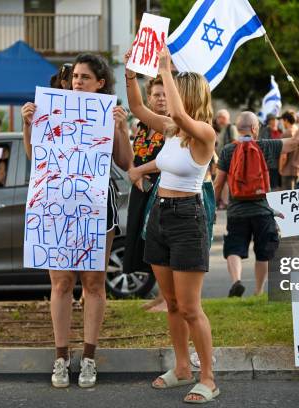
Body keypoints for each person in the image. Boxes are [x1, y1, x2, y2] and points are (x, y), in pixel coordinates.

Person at [21, 52, 132, 389]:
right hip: (56, 204)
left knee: (94, 282)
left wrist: (121, 129)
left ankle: (88, 358)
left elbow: (126, 162)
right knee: (61, 282)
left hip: (98, 205)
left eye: (85, 77)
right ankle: (60, 357)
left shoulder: (108, 115)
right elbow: (34, 157)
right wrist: (28, 125)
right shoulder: (51, 110)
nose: (77, 82)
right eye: (75, 77)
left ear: (100, 83)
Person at [125, 46, 219, 404]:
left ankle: (208, 378)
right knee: (172, 302)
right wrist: (130, 77)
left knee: (191, 307)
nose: (169, 96)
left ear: (189, 95)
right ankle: (182, 368)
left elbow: (177, 112)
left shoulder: (204, 134)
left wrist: (165, 68)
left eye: (176, 88)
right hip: (160, 214)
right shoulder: (169, 130)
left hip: (188, 219)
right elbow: (137, 108)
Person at [214, 108, 299, 297]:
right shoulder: (266, 146)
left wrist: (212, 207)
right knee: (263, 253)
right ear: (254, 128)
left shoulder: (228, 150)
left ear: (237, 127)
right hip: (263, 211)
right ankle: (259, 292)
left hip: (236, 211)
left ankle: (236, 281)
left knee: (234, 248)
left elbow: (218, 184)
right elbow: (296, 142)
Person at [124, 75, 168, 313]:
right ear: (149, 99)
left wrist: (140, 172)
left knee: (159, 242)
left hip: (161, 190)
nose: (161, 98)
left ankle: (166, 299)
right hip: (141, 189)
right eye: (156, 94)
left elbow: (170, 159)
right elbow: (134, 156)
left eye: (165, 94)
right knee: (144, 243)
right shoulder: (142, 127)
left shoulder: (172, 124)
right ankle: (160, 296)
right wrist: (136, 174)